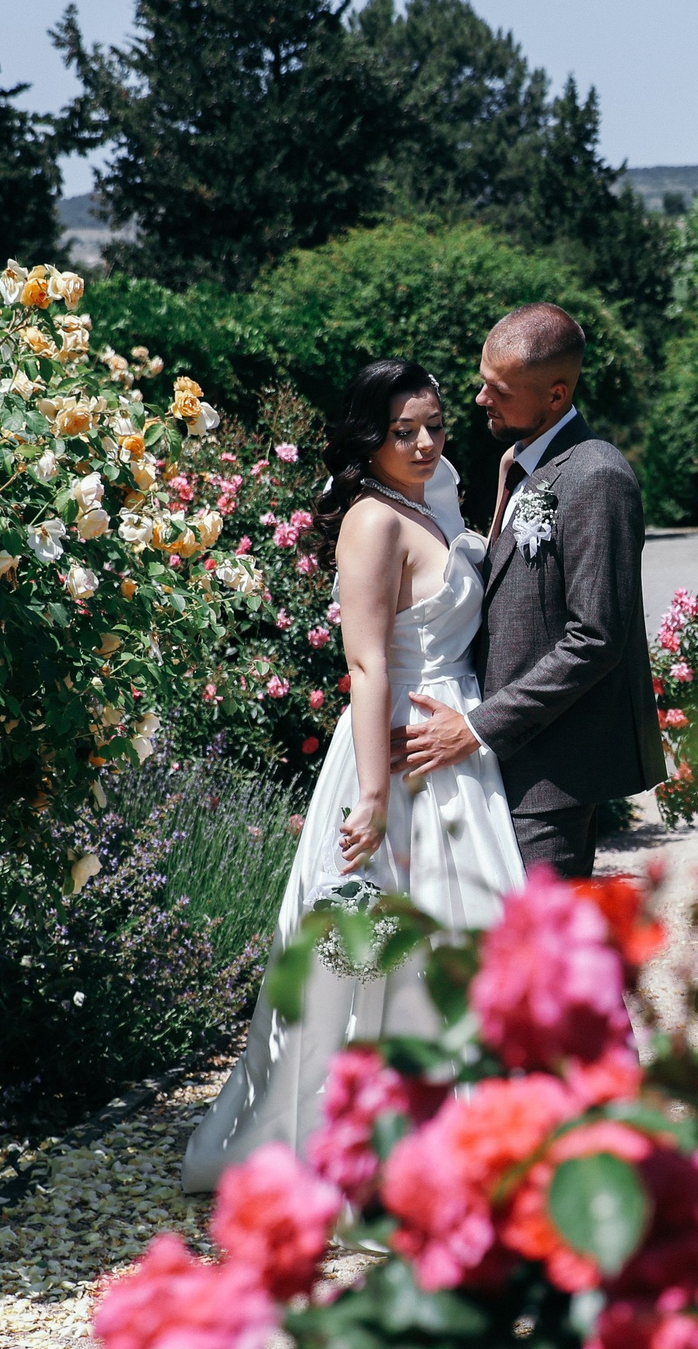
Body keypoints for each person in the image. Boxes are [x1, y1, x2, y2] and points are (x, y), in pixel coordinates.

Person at [180, 360, 523, 1192]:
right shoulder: (371, 521)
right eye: (401, 430)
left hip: (455, 746)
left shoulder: (429, 499)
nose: (423, 441)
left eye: (435, 423)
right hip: (398, 750)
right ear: (367, 439)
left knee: (463, 942)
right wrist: (372, 796)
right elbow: (368, 665)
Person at [393, 302, 666, 878]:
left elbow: (596, 638)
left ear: (556, 396)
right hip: (500, 758)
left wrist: (474, 727)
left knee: (541, 955)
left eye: (500, 389)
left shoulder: (599, 477)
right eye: (483, 381)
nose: (480, 400)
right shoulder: (516, 463)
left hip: (551, 773)